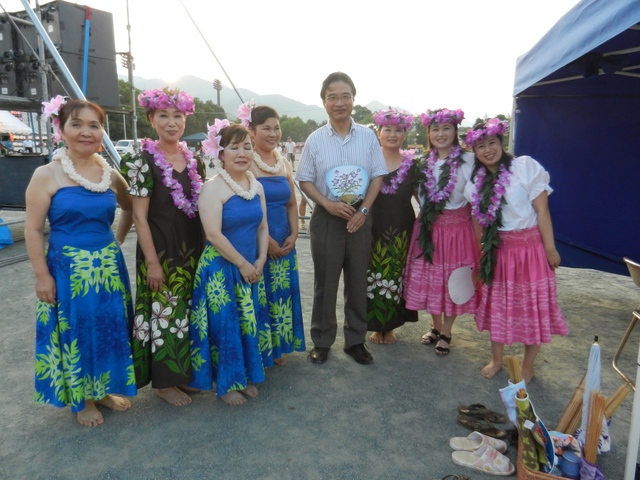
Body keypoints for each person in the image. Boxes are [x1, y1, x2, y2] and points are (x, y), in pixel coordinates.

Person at [25, 96, 136, 427]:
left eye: (94, 125)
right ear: (62, 129)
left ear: (102, 132)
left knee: (107, 329)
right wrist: (42, 276)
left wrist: (116, 240)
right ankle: (83, 399)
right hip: (67, 270)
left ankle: (101, 390)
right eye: (77, 124)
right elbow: (32, 230)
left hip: (107, 268)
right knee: (78, 333)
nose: (86, 132)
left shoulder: (109, 175)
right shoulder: (46, 175)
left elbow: (129, 206)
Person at [463, 118, 567, 382]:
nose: (488, 150)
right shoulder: (476, 183)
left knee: (532, 306)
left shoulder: (525, 167)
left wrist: (550, 248)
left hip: (531, 250)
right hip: (499, 251)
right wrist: (480, 255)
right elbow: (478, 224)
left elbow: (542, 210)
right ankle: (497, 359)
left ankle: (528, 365)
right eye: (480, 146)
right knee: (499, 305)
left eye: (492, 143)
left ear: (502, 143)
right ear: (474, 151)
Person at [120, 88, 206, 406]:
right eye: (164, 116)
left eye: (177, 116)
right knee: (165, 314)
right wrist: (152, 262)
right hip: (161, 251)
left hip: (192, 248)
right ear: (151, 120)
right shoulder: (140, 162)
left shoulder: (193, 160)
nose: (172, 123)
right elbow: (139, 218)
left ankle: (185, 375)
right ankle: (166, 384)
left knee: (188, 313)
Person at [296, 72, 387, 365]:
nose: (339, 102)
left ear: (353, 100)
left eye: (345, 96)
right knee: (325, 281)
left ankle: (355, 341)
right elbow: (305, 179)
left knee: (358, 280)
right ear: (324, 102)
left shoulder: (368, 136)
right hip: (327, 215)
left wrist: (364, 211)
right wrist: (326, 204)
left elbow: (377, 176)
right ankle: (322, 341)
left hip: (360, 216)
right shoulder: (315, 139)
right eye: (332, 97)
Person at [188, 120, 269, 405]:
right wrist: (243, 265)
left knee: (247, 323)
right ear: (221, 153)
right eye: (234, 147)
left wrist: (260, 259)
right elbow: (213, 234)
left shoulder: (255, 185)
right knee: (225, 326)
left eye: (247, 146)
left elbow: (262, 228)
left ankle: (244, 374)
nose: (242, 153)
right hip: (221, 269)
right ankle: (227, 384)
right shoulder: (212, 188)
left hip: (250, 265)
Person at [403, 109, 479, 355]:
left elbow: (477, 197)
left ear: (456, 130)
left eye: (446, 128)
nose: (441, 134)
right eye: (435, 129)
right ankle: (435, 327)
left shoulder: (469, 160)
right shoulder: (423, 161)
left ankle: (447, 330)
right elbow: (417, 192)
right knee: (431, 279)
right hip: (428, 227)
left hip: (458, 229)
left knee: (453, 279)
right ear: (429, 133)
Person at [242, 103, 305, 365]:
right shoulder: (246, 163)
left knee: (282, 293)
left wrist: (295, 233)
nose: (272, 133)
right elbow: (248, 208)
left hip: (285, 238)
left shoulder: (284, 163)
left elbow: (292, 203)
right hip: (259, 241)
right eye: (265, 128)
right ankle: (262, 350)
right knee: (262, 295)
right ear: (251, 130)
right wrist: (266, 241)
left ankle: (280, 345)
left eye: (276, 128)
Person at [366, 108, 418, 344]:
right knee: (372, 274)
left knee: (396, 274)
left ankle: (391, 325)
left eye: (399, 130)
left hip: (402, 228)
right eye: (387, 129)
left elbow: (423, 199)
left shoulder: (414, 166)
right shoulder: (367, 161)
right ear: (378, 132)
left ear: (405, 134)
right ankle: (376, 326)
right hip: (371, 226)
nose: (393, 134)